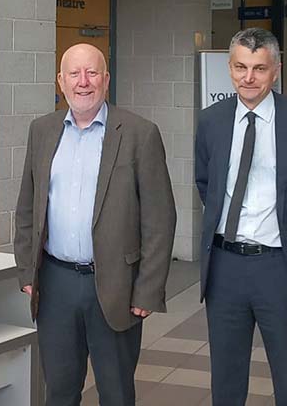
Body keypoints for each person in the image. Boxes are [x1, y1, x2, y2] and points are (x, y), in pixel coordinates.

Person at [14, 43, 176, 406]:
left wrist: (148, 289)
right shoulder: (41, 131)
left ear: (105, 79)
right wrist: (28, 273)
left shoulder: (139, 133)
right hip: (55, 284)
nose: (83, 82)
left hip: (117, 287)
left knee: (116, 393)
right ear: (60, 81)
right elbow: (27, 207)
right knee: (59, 391)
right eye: (74, 74)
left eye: (91, 73)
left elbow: (160, 219)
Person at [195, 27, 287, 405]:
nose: (248, 78)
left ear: (276, 70)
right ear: (229, 68)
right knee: (226, 384)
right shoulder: (211, 121)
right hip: (224, 269)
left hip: (281, 268)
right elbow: (204, 182)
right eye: (241, 67)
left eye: (259, 68)